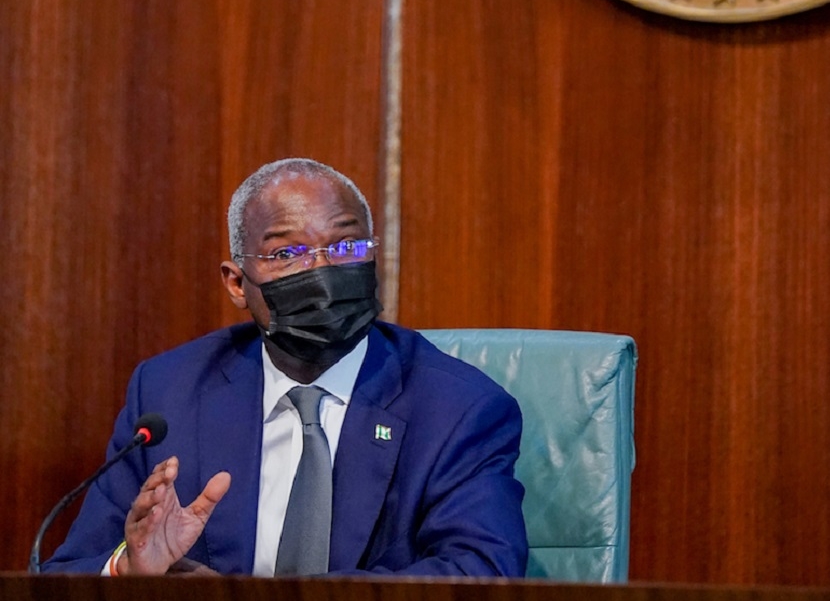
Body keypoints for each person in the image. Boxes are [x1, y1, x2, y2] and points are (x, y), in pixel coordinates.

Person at [43, 158, 528, 577]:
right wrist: (130, 569)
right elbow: (71, 569)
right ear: (237, 283)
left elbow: (482, 572)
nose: (322, 271)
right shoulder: (170, 392)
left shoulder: (458, 409)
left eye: (345, 247)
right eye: (287, 254)